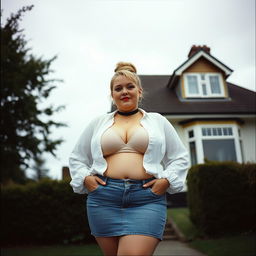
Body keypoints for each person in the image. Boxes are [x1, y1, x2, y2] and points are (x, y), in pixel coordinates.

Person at [69, 62, 189, 256]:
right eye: (118, 88)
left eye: (130, 87)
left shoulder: (158, 121)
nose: (124, 91)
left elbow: (180, 157)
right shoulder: (98, 123)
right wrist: (86, 178)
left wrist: (166, 181)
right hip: (103, 199)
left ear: (139, 91)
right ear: (112, 95)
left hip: (146, 199)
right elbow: (77, 157)